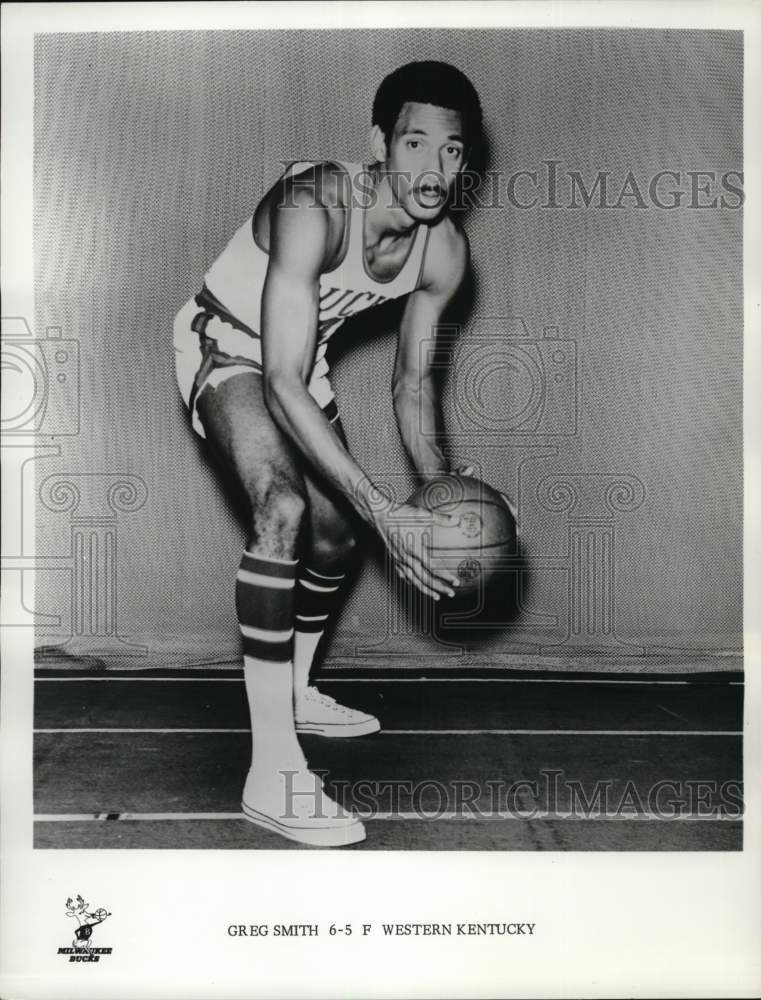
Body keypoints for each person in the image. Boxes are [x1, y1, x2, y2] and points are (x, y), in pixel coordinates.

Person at [174, 61, 483, 847]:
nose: (433, 169)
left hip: (295, 359)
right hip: (227, 344)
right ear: (379, 141)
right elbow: (276, 379)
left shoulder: (442, 251)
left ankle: (298, 689)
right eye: (415, 143)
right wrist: (384, 508)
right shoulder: (316, 203)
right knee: (282, 509)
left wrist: (443, 493)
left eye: (452, 151)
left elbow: (412, 387)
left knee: (339, 536)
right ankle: (273, 772)